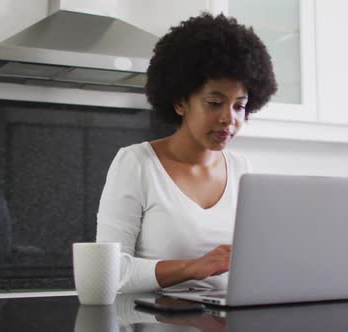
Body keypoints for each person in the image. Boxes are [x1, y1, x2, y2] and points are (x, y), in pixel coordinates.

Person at [96, 13, 277, 293]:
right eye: (214, 102)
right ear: (180, 102)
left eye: (239, 106)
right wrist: (194, 266)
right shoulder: (136, 164)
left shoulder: (243, 170)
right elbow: (107, 272)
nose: (229, 119)